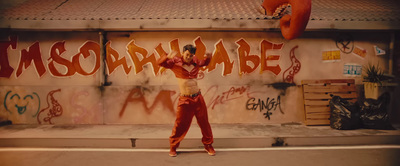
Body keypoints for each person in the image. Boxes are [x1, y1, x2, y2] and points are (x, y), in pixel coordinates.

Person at [157, 44, 215, 157]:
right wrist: (167, 56)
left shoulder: (195, 61)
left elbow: (204, 63)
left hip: (198, 98)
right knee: (180, 124)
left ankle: (208, 145)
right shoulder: (175, 62)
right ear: (183, 53)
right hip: (185, 99)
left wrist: (208, 56)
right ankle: (173, 146)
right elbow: (160, 63)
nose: (189, 57)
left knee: (204, 123)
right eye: (187, 54)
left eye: (191, 55)